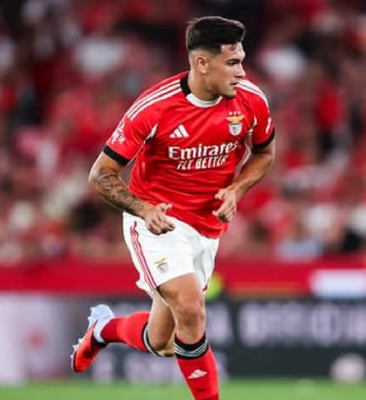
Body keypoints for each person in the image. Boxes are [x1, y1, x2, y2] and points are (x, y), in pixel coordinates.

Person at [71, 16, 275, 400]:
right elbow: (100, 175)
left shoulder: (251, 100)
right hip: (158, 221)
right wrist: (143, 209)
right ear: (202, 63)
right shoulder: (155, 108)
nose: (242, 72)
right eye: (233, 63)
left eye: (242, 61)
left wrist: (237, 189)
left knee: (163, 341)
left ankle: (103, 330)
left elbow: (264, 152)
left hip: (207, 228)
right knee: (192, 308)